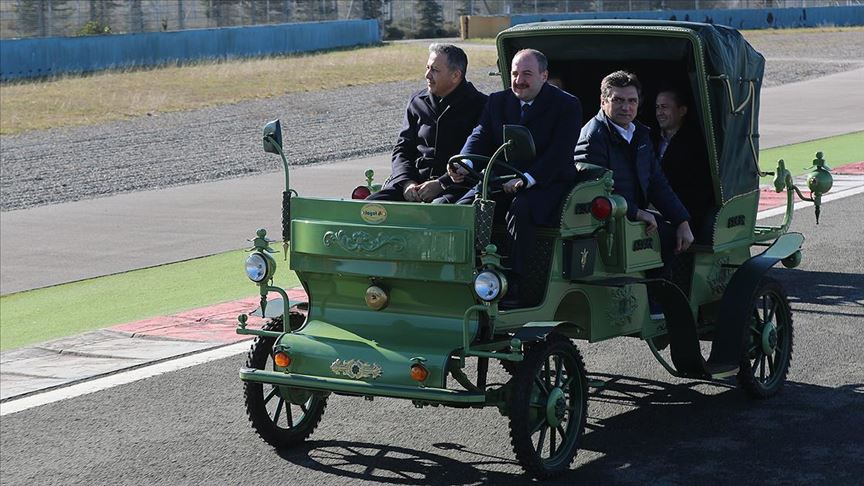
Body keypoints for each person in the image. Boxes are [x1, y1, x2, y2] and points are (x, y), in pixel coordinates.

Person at [451, 48, 583, 306]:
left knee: (522, 210)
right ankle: (466, 276)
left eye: (527, 74)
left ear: (544, 76)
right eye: (514, 73)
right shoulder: (498, 101)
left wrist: (528, 179)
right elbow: (480, 135)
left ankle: (515, 284)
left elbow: (559, 153)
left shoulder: (567, 105)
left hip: (547, 181)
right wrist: (464, 162)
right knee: (465, 208)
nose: (519, 80)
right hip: (503, 179)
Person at [574, 71, 694, 266]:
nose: (626, 107)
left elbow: (657, 182)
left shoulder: (640, 134)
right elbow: (594, 192)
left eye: (632, 101)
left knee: (677, 236)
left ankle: (657, 292)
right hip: (605, 222)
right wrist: (637, 212)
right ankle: (654, 293)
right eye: (618, 100)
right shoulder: (592, 138)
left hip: (630, 216)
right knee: (666, 239)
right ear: (603, 101)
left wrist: (682, 221)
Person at [367, 43, 487, 203]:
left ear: (456, 75)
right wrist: (406, 182)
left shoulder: (481, 105)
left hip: (457, 188)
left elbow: (480, 155)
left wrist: (441, 183)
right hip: (414, 185)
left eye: (435, 70)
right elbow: (402, 149)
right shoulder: (417, 102)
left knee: (437, 212)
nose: (427, 75)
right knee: (369, 208)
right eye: (428, 67)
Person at [654, 88, 714, 238]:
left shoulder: (695, 144)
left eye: (665, 107)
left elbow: (696, 190)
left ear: (682, 111)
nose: (659, 112)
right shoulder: (649, 138)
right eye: (657, 107)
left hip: (683, 213)